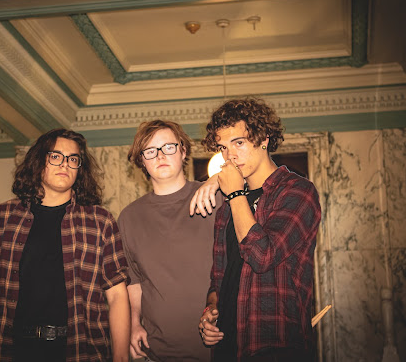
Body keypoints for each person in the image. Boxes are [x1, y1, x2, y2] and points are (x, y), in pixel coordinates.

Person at [0, 129, 130, 362]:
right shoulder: (1, 218)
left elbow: (117, 295)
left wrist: (121, 356)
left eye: (73, 159)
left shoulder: (100, 221)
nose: (65, 164)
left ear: (80, 169)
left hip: (82, 350)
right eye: (55, 156)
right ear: (38, 161)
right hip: (14, 350)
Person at [192, 98, 321, 361]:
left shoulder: (297, 191)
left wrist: (235, 192)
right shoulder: (227, 209)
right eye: (223, 147)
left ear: (263, 138)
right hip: (227, 346)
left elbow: (262, 256)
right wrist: (210, 311)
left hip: (275, 346)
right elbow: (219, 279)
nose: (229, 156)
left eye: (238, 143)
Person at [117, 120, 222, 362]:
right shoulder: (129, 217)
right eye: (150, 150)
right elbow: (134, 281)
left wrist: (221, 178)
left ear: (183, 151)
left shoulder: (216, 198)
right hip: (159, 351)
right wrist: (133, 323)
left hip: (221, 348)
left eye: (168, 147)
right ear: (142, 160)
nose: (160, 156)